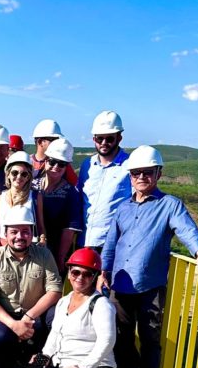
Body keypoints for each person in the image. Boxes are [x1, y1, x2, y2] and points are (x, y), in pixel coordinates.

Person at [100, 145, 198, 368]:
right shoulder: (123, 209)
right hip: (120, 282)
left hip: (151, 285)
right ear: (130, 176)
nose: (142, 177)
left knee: (151, 338)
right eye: (137, 173)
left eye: (147, 172)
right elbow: (111, 242)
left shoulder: (169, 205)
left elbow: (185, 228)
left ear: (158, 174)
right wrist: (103, 271)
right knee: (120, 334)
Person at [25, 248, 117, 368]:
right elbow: (55, 333)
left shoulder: (101, 304)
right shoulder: (63, 301)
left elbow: (107, 341)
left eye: (87, 274)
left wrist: (83, 367)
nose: (80, 278)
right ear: (68, 273)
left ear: (95, 276)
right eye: (75, 272)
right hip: (65, 362)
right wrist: (46, 355)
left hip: (94, 367)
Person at [0, 206, 62, 368]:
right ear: (6, 234)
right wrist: (13, 324)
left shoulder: (44, 255)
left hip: (36, 315)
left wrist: (29, 316)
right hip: (6, 316)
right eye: (14, 232)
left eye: (25, 231)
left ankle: (43, 356)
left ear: (32, 233)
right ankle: (13, 355)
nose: (19, 236)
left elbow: (55, 290)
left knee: (57, 317)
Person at [77, 110, 131, 251]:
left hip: (112, 245)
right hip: (84, 241)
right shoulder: (86, 165)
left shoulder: (130, 166)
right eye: (99, 139)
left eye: (109, 139)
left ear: (119, 138)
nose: (104, 143)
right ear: (94, 139)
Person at [33, 138, 83, 272]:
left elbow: (69, 229)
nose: (56, 167)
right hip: (28, 247)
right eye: (52, 162)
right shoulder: (32, 184)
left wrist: (60, 258)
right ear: (46, 160)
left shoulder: (71, 193)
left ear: (67, 166)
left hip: (53, 251)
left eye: (61, 164)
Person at [0, 151, 44, 244]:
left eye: (24, 174)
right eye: (15, 173)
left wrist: (42, 240)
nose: (19, 177)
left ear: (28, 177)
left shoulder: (35, 196)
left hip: (28, 248)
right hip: (5, 248)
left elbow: (41, 226)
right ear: (8, 174)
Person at [30, 119, 78, 185]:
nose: (57, 143)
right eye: (53, 140)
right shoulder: (26, 162)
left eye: (57, 139)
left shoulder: (62, 165)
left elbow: (75, 184)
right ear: (40, 142)